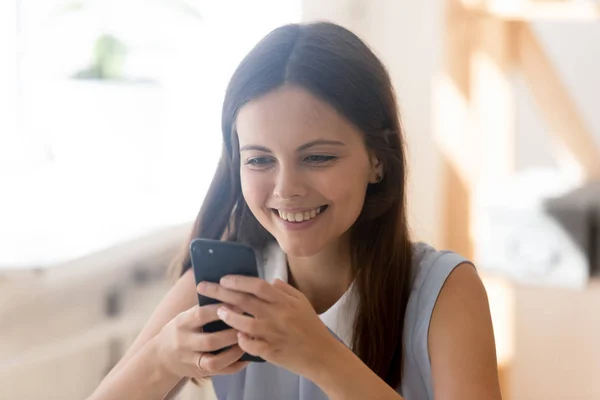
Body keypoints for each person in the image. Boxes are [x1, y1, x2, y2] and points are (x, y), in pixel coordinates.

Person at [88, 21, 502, 400]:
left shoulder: (446, 293)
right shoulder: (223, 286)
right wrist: (161, 359)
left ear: (377, 160)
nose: (286, 189)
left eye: (318, 158)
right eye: (259, 160)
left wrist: (320, 354)